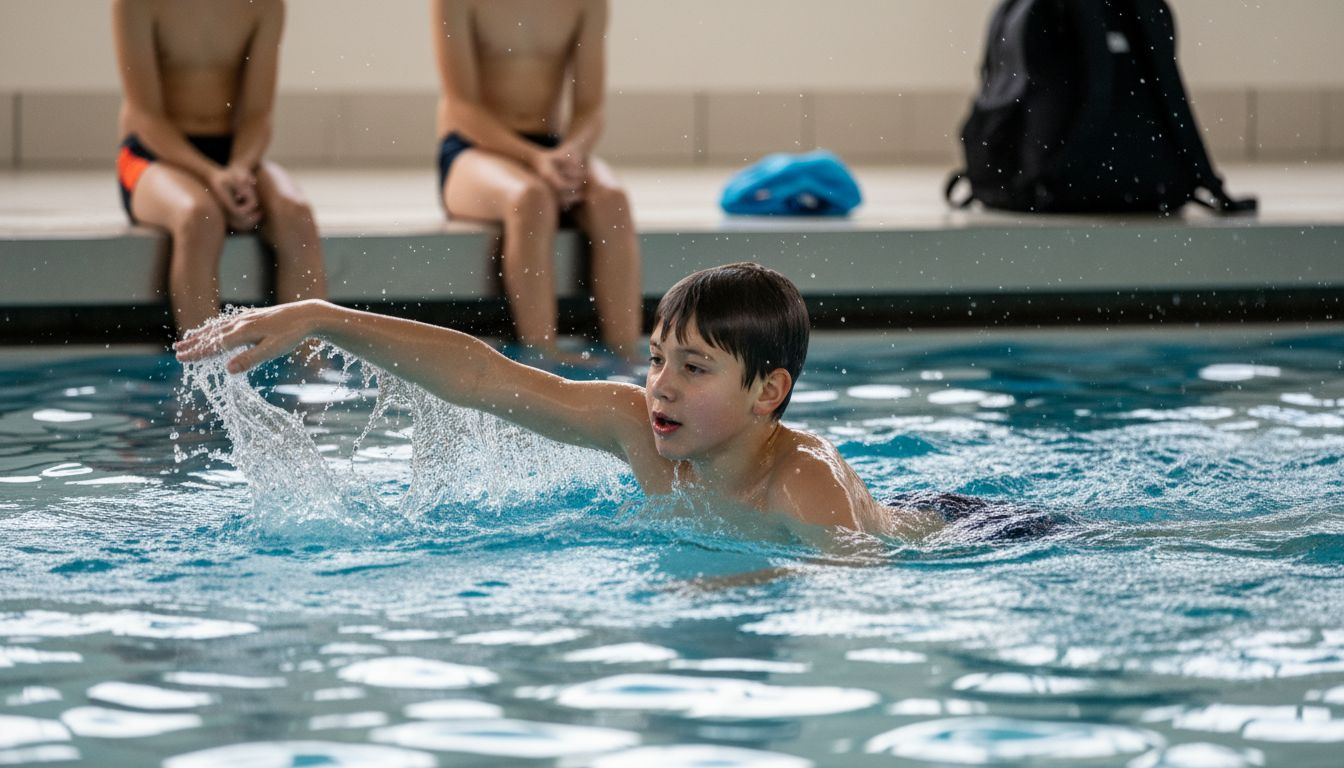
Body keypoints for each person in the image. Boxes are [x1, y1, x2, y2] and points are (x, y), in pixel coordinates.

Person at [175, 262, 947, 547]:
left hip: (964, 528)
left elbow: (860, 605)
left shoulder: (805, 483)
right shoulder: (638, 429)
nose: (662, 386)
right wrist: (320, 315)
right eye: (656, 360)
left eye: (696, 368)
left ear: (768, 393)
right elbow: (482, 379)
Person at [432, 0, 642, 363]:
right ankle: (541, 357)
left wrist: (572, 151)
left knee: (613, 200)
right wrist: (534, 159)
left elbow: (590, 108)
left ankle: (631, 360)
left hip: (550, 146)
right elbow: (460, 107)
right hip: (472, 148)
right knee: (530, 199)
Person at [112, 0, 327, 336]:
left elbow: (258, 114)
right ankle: (205, 379)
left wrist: (240, 168)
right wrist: (213, 175)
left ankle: (314, 374)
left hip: (231, 154)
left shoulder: (265, 5)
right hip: (152, 155)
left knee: (295, 215)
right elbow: (145, 117)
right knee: (199, 217)